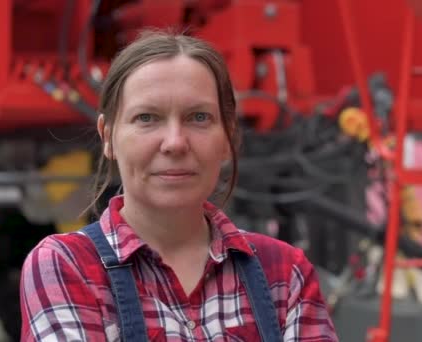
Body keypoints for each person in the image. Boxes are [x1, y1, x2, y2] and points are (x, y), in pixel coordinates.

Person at [20, 30, 338, 341]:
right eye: (147, 118)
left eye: (198, 117)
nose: (175, 143)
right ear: (108, 137)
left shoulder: (284, 274)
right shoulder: (66, 266)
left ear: (228, 138)